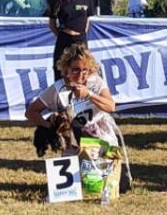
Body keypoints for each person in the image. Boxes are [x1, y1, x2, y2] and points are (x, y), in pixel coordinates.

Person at [24, 43, 131, 191]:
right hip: (73, 144)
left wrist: (89, 94)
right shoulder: (57, 89)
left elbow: (111, 106)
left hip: (100, 139)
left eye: (85, 70)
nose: (81, 74)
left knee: (118, 186)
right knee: (73, 188)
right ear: (66, 69)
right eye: (75, 70)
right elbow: (30, 112)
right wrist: (50, 127)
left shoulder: (96, 82)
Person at [47, 0, 93, 79]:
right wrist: (63, 36)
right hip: (64, 43)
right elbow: (52, 25)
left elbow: (87, 19)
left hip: (81, 42)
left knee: (83, 76)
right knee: (63, 78)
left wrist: (81, 35)